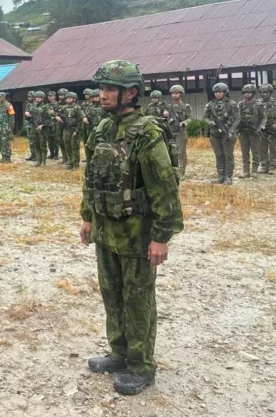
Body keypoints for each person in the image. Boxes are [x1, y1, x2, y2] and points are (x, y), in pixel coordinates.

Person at [80, 60, 183, 396]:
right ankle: (119, 353)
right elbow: (91, 177)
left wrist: (161, 236)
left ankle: (141, 366)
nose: (103, 95)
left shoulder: (147, 132)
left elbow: (164, 186)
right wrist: (87, 216)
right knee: (111, 293)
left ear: (131, 93)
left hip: (137, 235)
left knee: (137, 298)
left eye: (110, 88)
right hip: (106, 230)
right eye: (102, 88)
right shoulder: (102, 129)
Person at [204, 82, 240, 185]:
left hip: (227, 133)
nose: (217, 94)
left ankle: (228, 177)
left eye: (220, 92)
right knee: (219, 156)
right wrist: (211, 123)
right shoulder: (210, 104)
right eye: (216, 92)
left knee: (228, 155)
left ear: (225, 92)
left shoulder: (232, 104)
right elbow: (205, 117)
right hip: (215, 133)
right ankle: (220, 176)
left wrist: (231, 130)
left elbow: (237, 119)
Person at [237, 84, 265, 179]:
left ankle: (254, 171)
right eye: (246, 93)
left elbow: (263, 117)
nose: (247, 94)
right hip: (243, 132)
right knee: (245, 152)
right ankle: (246, 171)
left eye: (249, 92)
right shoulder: (240, 104)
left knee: (255, 152)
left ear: (253, 93)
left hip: (254, 131)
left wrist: (260, 127)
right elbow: (236, 117)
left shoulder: (259, 104)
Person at [258, 83, 276, 175]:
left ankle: (272, 167)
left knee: (274, 149)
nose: (264, 94)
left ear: (270, 93)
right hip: (262, 130)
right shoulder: (257, 103)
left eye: (266, 92)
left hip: (273, 129)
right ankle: (264, 166)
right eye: (262, 92)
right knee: (262, 149)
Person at [168, 85, 192, 178]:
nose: (174, 95)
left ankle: (181, 173)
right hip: (170, 132)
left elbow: (190, 118)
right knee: (171, 153)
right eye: (173, 93)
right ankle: (173, 172)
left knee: (181, 153)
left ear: (181, 94)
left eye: (176, 93)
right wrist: (166, 117)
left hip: (181, 133)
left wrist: (184, 123)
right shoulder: (169, 107)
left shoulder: (186, 106)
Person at [58, 91, 86, 169]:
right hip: (66, 129)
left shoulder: (77, 108)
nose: (68, 100)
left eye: (70, 98)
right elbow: (57, 114)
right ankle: (70, 161)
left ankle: (76, 164)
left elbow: (81, 120)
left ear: (74, 99)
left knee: (75, 147)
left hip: (74, 129)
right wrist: (57, 117)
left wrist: (76, 131)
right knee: (67, 146)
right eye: (67, 98)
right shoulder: (64, 107)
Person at [28, 91, 48, 167]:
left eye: (39, 98)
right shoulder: (32, 107)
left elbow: (49, 119)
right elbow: (29, 119)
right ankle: (38, 161)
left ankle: (44, 162)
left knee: (43, 145)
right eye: (36, 97)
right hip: (34, 128)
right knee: (36, 144)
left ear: (42, 98)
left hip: (43, 129)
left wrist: (43, 125)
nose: (37, 99)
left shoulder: (46, 107)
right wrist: (27, 115)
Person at [0, 92, 16, 163]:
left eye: (0, 97)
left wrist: (11, 127)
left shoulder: (9, 105)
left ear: (4, 97)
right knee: (0, 142)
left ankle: (7, 157)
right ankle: (3, 157)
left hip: (5, 127)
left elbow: (12, 116)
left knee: (5, 142)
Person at [56, 88, 70, 164]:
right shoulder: (57, 104)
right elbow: (53, 113)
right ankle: (64, 157)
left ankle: (69, 158)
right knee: (60, 141)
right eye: (60, 95)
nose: (61, 96)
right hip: (58, 125)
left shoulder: (69, 104)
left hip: (67, 125)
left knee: (67, 141)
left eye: (62, 95)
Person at [47, 90, 60, 160]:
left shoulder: (57, 104)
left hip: (55, 124)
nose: (49, 97)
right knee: (49, 139)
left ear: (54, 97)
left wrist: (53, 114)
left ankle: (56, 154)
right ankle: (51, 153)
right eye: (48, 96)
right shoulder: (48, 105)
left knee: (55, 139)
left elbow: (60, 114)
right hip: (49, 124)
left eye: (51, 96)